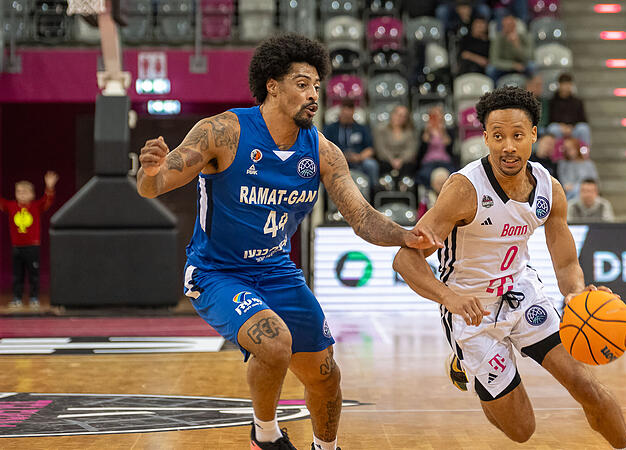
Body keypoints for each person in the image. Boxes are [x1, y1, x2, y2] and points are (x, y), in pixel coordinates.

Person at [135, 33, 438, 450]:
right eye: (302, 84)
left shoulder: (323, 152)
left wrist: (406, 234)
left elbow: (362, 217)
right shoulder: (223, 132)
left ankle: (325, 448)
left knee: (326, 376)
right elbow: (155, 185)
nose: (313, 94)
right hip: (216, 272)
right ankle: (266, 435)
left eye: (316, 85)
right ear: (272, 87)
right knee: (274, 343)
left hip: (277, 271)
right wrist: (150, 172)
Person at [392, 86, 626, 450]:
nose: (508, 146)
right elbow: (405, 259)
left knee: (586, 386)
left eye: (517, 136)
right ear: (485, 138)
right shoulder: (464, 190)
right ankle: (469, 365)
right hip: (471, 310)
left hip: (522, 294)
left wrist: (575, 293)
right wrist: (451, 299)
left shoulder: (549, 189)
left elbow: (565, 259)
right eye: (498, 136)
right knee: (522, 430)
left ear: (533, 135)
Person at [0, 171, 58, 309]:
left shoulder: (36, 206)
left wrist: (49, 187)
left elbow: (48, 200)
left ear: (32, 195)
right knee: (17, 275)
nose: (22, 195)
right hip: (17, 247)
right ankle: (17, 298)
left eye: (25, 192)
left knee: (33, 275)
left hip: (32, 247)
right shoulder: (11, 206)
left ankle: (34, 298)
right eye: (19, 192)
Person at [322, 99, 379, 188]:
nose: (346, 117)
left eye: (349, 115)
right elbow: (324, 147)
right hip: (337, 160)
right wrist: (339, 157)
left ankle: (373, 191)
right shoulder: (330, 128)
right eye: (344, 114)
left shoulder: (362, 128)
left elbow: (370, 149)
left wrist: (360, 157)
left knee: (371, 165)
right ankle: (326, 194)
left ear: (353, 113)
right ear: (341, 112)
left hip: (358, 160)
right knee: (323, 167)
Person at [374, 105, 419, 181]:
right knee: (383, 166)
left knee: (410, 166)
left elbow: (411, 149)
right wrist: (391, 160)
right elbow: (381, 148)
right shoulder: (381, 129)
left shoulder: (410, 132)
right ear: (392, 114)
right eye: (399, 115)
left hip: (405, 161)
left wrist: (401, 160)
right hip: (386, 159)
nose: (400, 118)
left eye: (404, 116)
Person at [417, 104, 456, 188]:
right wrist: (427, 131)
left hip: (444, 160)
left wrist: (442, 131)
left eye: (439, 115)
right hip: (429, 161)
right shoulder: (425, 131)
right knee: (425, 175)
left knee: (453, 176)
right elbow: (422, 148)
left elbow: (450, 146)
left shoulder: (448, 131)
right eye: (434, 115)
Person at [546, 73, 591, 146]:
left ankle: (584, 151)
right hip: (559, 129)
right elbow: (550, 119)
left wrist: (571, 127)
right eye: (564, 84)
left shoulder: (577, 101)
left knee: (583, 128)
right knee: (553, 128)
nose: (566, 87)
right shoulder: (552, 101)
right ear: (559, 85)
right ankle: (556, 152)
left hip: (574, 129)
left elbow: (583, 119)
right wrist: (562, 126)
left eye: (568, 84)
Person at [487, 14, 530, 81]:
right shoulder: (498, 39)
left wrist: (517, 44)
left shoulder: (523, 37)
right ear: (502, 26)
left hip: (521, 66)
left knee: (532, 66)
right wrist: (513, 65)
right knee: (490, 69)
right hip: (504, 67)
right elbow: (494, 61)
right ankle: (495, 87)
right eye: (506, 25)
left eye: (511, 25)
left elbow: (527, 58)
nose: (509, 28)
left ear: (515, 26)